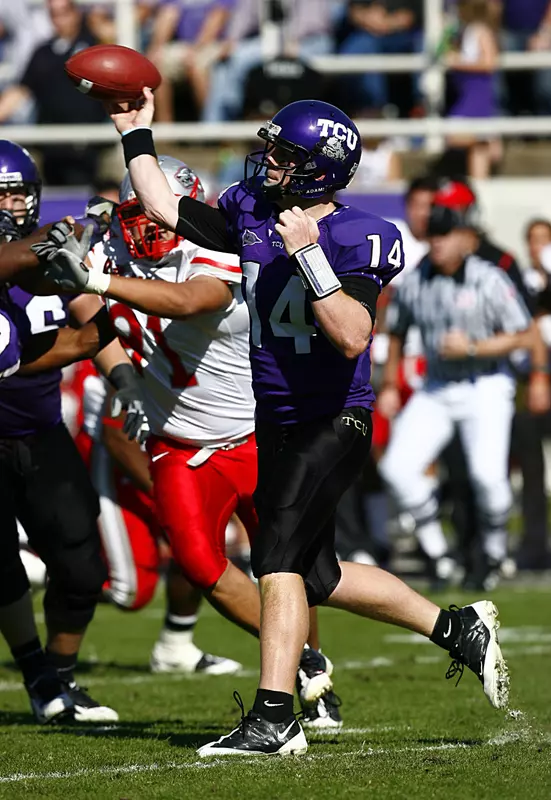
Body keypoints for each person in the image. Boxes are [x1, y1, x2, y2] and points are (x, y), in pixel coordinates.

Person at [41, 91, 512, 757]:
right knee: (317, 575)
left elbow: (351, 337)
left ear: (319, 168)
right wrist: (136, 133)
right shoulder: (252, 209)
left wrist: (309, 256)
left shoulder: (361, 234)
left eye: (284, 155)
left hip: (334, 420)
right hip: (276, 422)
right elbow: (166, 209)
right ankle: (456, 628)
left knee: (276, 557)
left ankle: (273, 718)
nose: (268, 163)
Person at [39, 154, 345, 729]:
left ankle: (313, 673)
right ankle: (305, 660)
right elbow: (91, 319)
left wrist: (95, 273)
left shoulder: (216, 250)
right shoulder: (108, 253)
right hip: (177, 443)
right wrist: (123, 377)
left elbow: (188, 301)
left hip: (256, 432)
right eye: (138, 216)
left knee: (289, 563)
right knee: (202, 565)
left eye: (158, 216)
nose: (153, 229)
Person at [0, 140, 149, 724]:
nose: (12, 205)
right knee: (4, 570)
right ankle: (37, 674)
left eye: (18, 193)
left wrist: (126, 382)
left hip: (39, 431)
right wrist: (87, 223)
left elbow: (95, 323)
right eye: (1, 195)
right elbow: (42, 348)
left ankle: (58, 678)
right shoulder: (39, 252)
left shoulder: (52, 257)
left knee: (83, 566)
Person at [378, 198, 534, 590]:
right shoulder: (415, 280)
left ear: (464, 238)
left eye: (445, 235)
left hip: (486, 383)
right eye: (433, 236)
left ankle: (495, 552)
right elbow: (396, 331)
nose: (438, 244)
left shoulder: (489, 278)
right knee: (396, 468)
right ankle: (440, 553)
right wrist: (390, 384)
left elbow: (525, 334)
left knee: (487, 476)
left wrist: (473, 347)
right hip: (438, 386)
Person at [74, 364, 244, 676]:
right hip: (121, 463)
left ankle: (174, 647)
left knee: (199, 542)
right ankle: (36, 566)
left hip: (170, 458)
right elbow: (116, 436)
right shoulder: (147, 338)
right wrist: (168, 495)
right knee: (129, 591)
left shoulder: (214, 342)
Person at [0, 0, 106, 185]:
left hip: (92, 148)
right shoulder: (43, 52)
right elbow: (20, 91)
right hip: (50, 148)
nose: (59, 20)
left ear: (76, 13)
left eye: (63, 13)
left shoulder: (96, 47)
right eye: (53, 14)